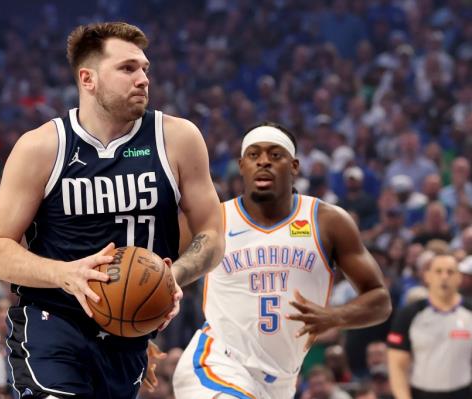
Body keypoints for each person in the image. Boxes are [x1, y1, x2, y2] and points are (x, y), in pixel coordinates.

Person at [0, 22, 224, 399]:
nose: (143, 79)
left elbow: (211, 233)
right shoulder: (42, 147)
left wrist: (174, 275)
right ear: (88, 78)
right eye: (127, 69)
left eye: (145, 69)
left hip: (127, 338)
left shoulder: (178, 139)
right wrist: (66, 274)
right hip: (52, 323)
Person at [173, 123, 391, 399]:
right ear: (242, 166)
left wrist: (335, 316)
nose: (263, 161)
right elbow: (155, 270)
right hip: (216, 362)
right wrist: (139, 328)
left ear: (295, 166)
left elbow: (379, 298)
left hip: (282, 383)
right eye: (254, 155)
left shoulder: (327, 221)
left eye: (275, 155)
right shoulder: (212, 219)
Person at [387, 254, 472, 399]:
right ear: (427, 276)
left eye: (450, 272)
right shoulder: (408, 315)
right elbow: (397, 366)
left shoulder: (469, 312)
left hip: (464, 392)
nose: (444, 277)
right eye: (438, 271)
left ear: (459, 278)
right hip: (421, 393)